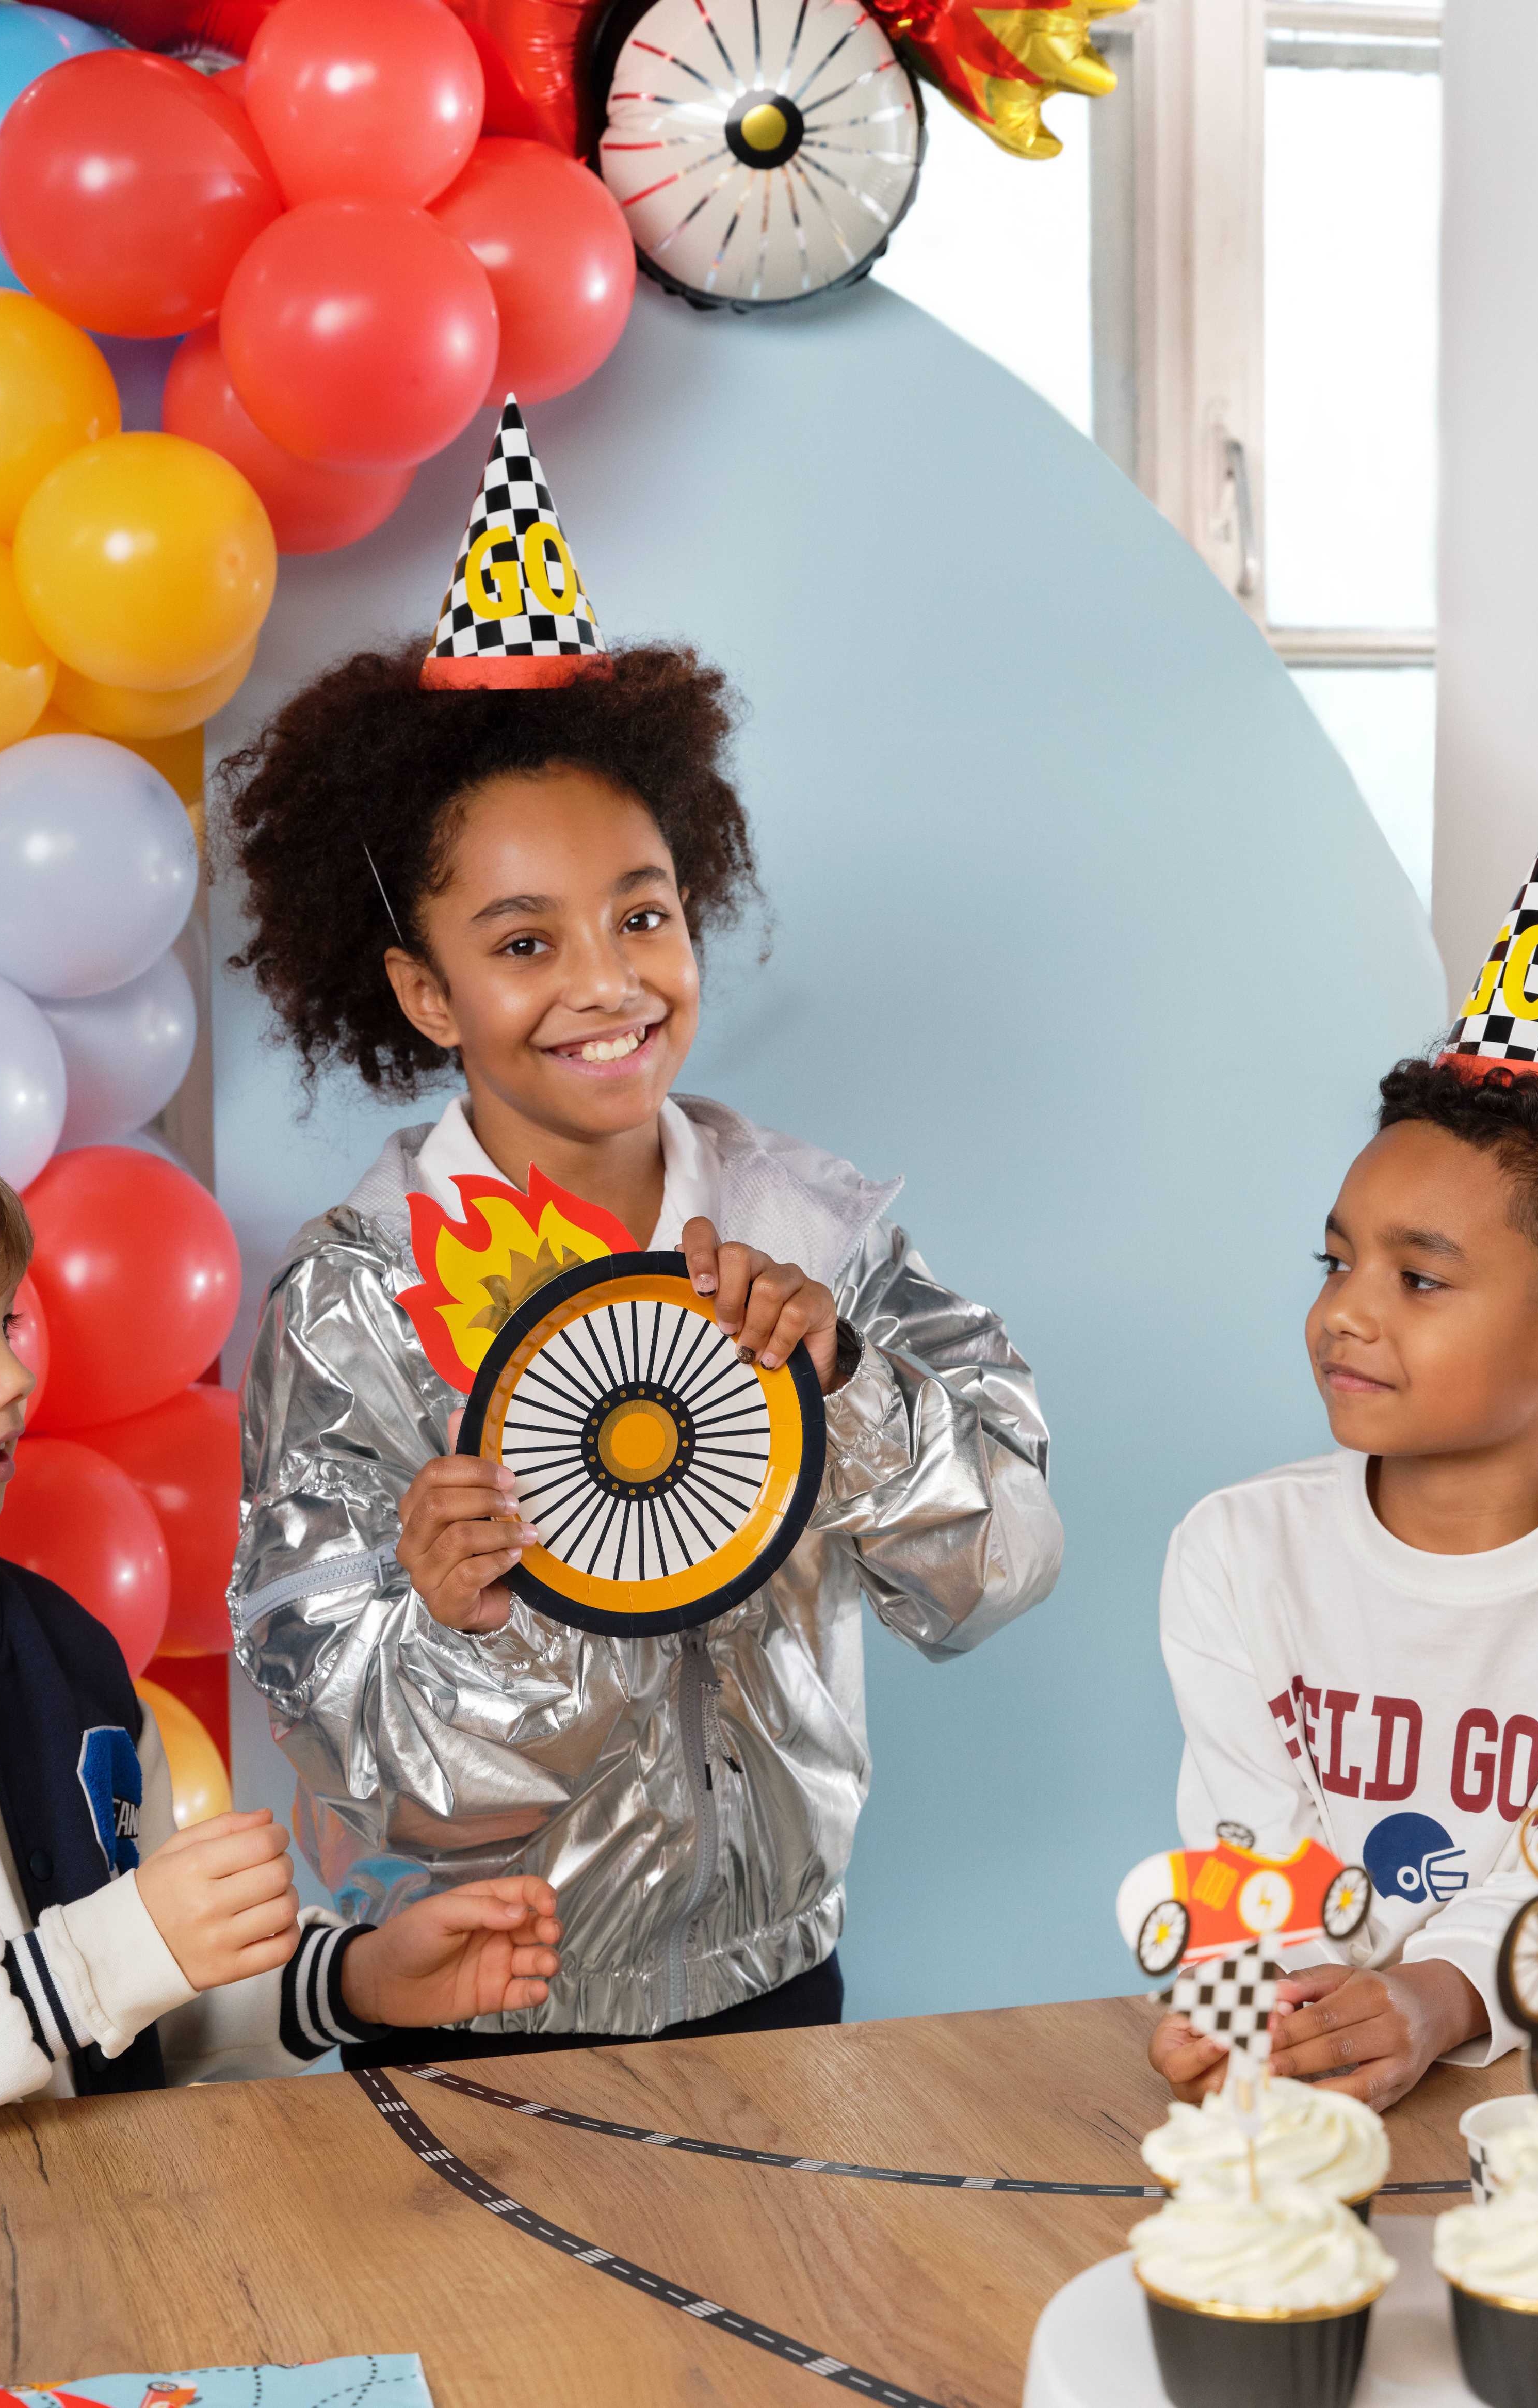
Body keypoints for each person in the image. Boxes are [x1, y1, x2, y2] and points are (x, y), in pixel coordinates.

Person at [226, 401, 1063, 2058]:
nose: (607, 982)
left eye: (642, 914)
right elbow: (365, 1756)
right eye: (523, 942)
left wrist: (842, 1387)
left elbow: (1000, 1570)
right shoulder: (363, 1298)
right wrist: (476, 1613)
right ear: (422, 990)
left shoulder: (809, 1230)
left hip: (782, 1992)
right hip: (477, 2004)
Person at [0, 867, 560, 2143]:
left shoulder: (54, 1646)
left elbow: (138, 1994)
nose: (15, 1373)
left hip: (100, 2257)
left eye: (5, 1322)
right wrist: (114, 1955)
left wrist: (355, 1979)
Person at [1149, 803, 1538, 2113]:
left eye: (1419, 1278)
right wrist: (1246, 2004)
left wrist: (1434, 1997)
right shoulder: (1238, 1553)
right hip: (1344, 2112)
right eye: (1335, 1260)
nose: (1343, 1310)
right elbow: (1245, 1852)